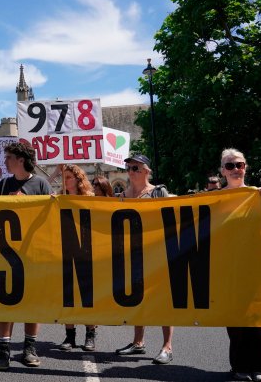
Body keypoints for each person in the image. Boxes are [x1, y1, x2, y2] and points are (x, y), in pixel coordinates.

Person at [0, 142, 52, 371]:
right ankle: (4, 349)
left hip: (33, 253)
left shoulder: (41, 183)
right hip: (5, 254)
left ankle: (29, 348)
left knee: (32, 302)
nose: (6, 161)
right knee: (5, 301)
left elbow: (50, 217)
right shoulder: (3, 184)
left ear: (21, 160)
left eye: (9, 157)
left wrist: (27, 202)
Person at [218, 148, 261, 382]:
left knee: (257, 315)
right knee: (235, 317)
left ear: (246, 167)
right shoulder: (215, 199)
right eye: (230, 166)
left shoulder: (259, 194)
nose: (236, 169)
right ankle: (240, 365)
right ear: (222, 171)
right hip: (228, 264)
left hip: (256, 262)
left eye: (240, 164)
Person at [114, 154, 175, 365]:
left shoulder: (159, 192)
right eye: (129, 168)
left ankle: (167, 346)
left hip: (157, 254)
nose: (131, 171)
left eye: (136, 168)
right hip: (131, 255)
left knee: (162, 301)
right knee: (135, 298)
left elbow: (172, 217)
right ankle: (138, 342)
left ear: (147, 171)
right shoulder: (122, 196)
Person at [58, 166, 109, 352]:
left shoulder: (89, 199)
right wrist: (56, 172)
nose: (65, 181)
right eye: (64, 178)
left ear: (78, 179)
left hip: (88, 252)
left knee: (88, 296)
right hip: (65, 251)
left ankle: (90, 335)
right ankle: (70, 337)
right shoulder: (59, 198)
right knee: (68, 296)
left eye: (69, 177)